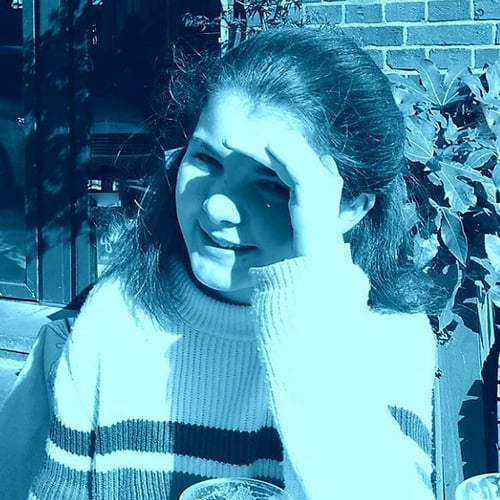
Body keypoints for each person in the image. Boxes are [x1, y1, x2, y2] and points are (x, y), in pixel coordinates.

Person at [0, 27, 446, 499]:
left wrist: (309, 303)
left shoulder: (385, 337)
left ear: (349, 208)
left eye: (272, 185)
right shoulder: (115, 315)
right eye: (207, 160)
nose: (216, 207)